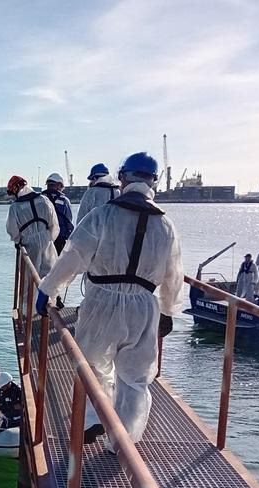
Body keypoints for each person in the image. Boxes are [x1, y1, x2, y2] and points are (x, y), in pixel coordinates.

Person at [34, 151, 184, 446]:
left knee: (93, 366)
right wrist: (167, 311)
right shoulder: (166, 225)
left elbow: (73, 257)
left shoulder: (102, 215)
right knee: (135, 378)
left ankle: (92, 419)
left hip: (101, 301)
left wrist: (47, 289)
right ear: (153, 181)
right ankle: (122, 442)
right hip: (143, 306)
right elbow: (173, 274)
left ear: (123, 177)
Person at [5, 174, 60, 277]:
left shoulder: (15, 207)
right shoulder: (44, 200)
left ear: (16, 190)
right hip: (47, 241)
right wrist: (49, 238)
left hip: (29, 244)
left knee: (28, 279)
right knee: (49, 277)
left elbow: (12, 230)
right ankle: (50, 293)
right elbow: (54, 224)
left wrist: (18, 241)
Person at [43, 172, 74, 253]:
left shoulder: (40, 200)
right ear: (59, 185)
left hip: (44, 239)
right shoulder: (64, 200)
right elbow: (69, 220)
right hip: (60, 238)